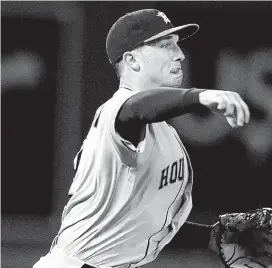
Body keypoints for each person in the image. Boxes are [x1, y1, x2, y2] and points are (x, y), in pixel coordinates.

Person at [32, 9, 250, 268]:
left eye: (177, 46)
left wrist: (213, 237)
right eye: (166, 46)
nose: (180, 55)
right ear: (132, 60)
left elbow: (147, 223)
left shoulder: (164, 134)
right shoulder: (117, 111)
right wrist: (199, 97)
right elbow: (135, 108)